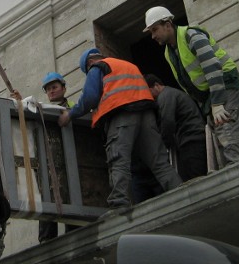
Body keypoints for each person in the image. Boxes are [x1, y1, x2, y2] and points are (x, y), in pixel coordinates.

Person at [58, 48, 182, 209]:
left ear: (89, 63)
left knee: (119, 159)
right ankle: (181, 192)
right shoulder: (127, 65)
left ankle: (119, 203)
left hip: (123, 115)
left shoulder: (98, 68)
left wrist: (70, 114)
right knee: (159, 163)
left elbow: (90, 97)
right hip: (147, 114)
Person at [143, 6, 239, 165]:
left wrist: (218, 103)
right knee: (221, 138)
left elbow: (212, 67)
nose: (153, 36)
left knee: (227, 132)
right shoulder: (168, 53)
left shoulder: (191, 35)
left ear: (168, 24)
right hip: (210, 96)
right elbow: (189, 85)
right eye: (151, 31)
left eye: (155, 29)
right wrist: (207, 107)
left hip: (225, 84)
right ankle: (236, 172)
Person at [11, 72, 79, 243]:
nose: (51, 92)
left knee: (71, 201)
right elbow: (29, 112)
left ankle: (75, 237)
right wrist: (21, 102)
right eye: (48, 89)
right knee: (47, 200)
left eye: (54, 87)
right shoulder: (44, 112)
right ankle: (46, 241)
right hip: (50, 166)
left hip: (69, 163)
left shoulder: (72, 108)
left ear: (64, 88)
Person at [144, 74, 207, 181]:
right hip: (192, 139)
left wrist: (164, 146)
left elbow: (167, 122)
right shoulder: (171, 93)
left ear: (156, 85)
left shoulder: (165, 96)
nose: (149, 97)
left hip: (191, 141)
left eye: (148, 91)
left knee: (197, 179)